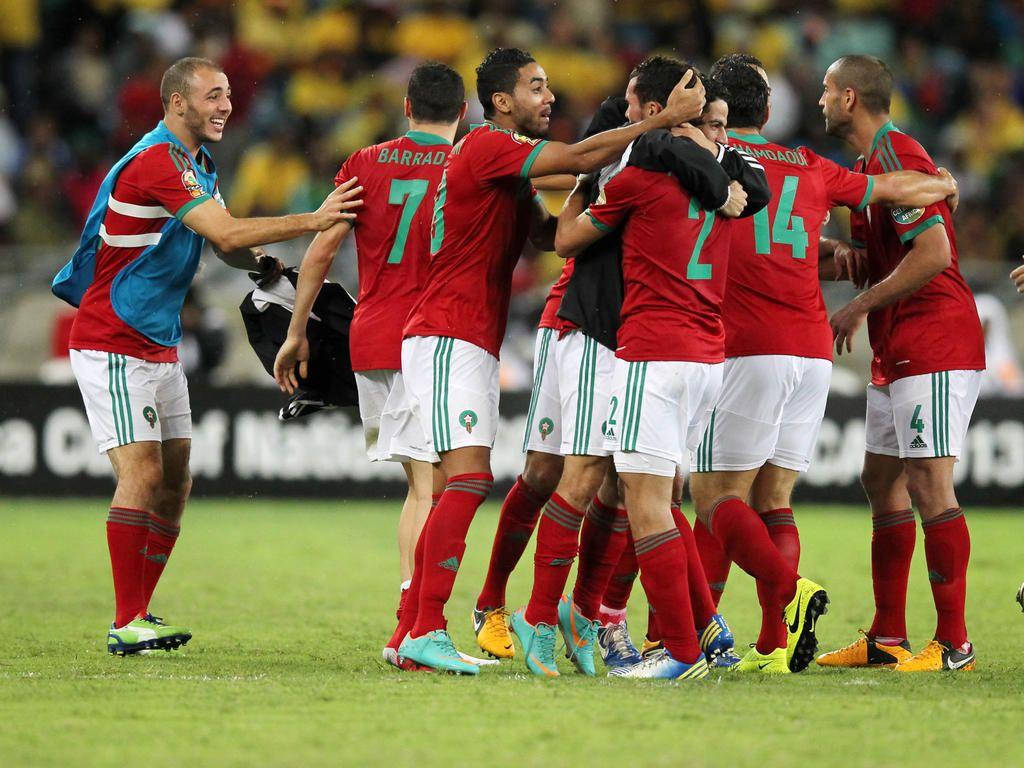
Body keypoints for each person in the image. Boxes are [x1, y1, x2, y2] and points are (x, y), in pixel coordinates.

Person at [389, 47, 708, 674]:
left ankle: (414, 629)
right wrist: (653, 124)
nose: (550, 96)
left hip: (461, 333)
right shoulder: (488, 145)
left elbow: (548, 235)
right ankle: (428, 624)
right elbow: (573, 157)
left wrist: (602, 201)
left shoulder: (494, 165)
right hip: (450, 331)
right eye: (537, 87)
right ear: (502, 101)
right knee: (471, 481)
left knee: (475, 480)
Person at [51, 56, 363, 656]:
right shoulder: (157, 160)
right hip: (112, 338)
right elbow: (222, 232)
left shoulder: (197, 164)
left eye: (227, 95)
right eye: (213, 96)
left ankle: (139, 613)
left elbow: (221, 246)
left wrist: (263, 268)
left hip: (158, 342)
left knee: (175, 482)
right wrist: (313, 220)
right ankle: (127, 621)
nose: (226, 106)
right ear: (177, 103)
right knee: (142, 474)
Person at [688, 55, 961, 674]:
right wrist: (942, 184)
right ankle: (771, 645)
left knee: (712, 498)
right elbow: (888, 191)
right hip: (810, 349)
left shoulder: (708, 162)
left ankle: (745, 611)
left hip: (744, 343)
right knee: (773, 498)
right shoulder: (809, 165)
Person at [551, 64, 771, 681]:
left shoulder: (642, 182)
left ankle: (678, 650)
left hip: (652, 353)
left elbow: (567, 240)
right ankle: (694, 629)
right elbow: (750, 188)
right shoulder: (733, 190)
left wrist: (585, 184)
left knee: (643, 504)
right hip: (707, 357)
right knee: (663, 498)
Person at [273, 61, 467, 671]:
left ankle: (411, 629)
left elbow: (321, 251)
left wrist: (297, 330)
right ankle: (411, 630)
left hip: (373, 335)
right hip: (432, 339)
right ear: (464, 112)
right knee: (430, 490)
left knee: (421, 486)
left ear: (407, 106)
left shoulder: (365, 163)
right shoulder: (470, 166)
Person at [816, 55, 985, 672]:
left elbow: (934, 253)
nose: (821, 101)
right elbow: (888, 251)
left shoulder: (896, 156)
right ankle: (887, 638)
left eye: (828, 91)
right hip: (898, 344)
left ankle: (954, 643)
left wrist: (858, 304)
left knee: (927, 485)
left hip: (935, 338)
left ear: (852, 98)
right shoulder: (869, 168)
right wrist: (848, 258)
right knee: (879, 481)